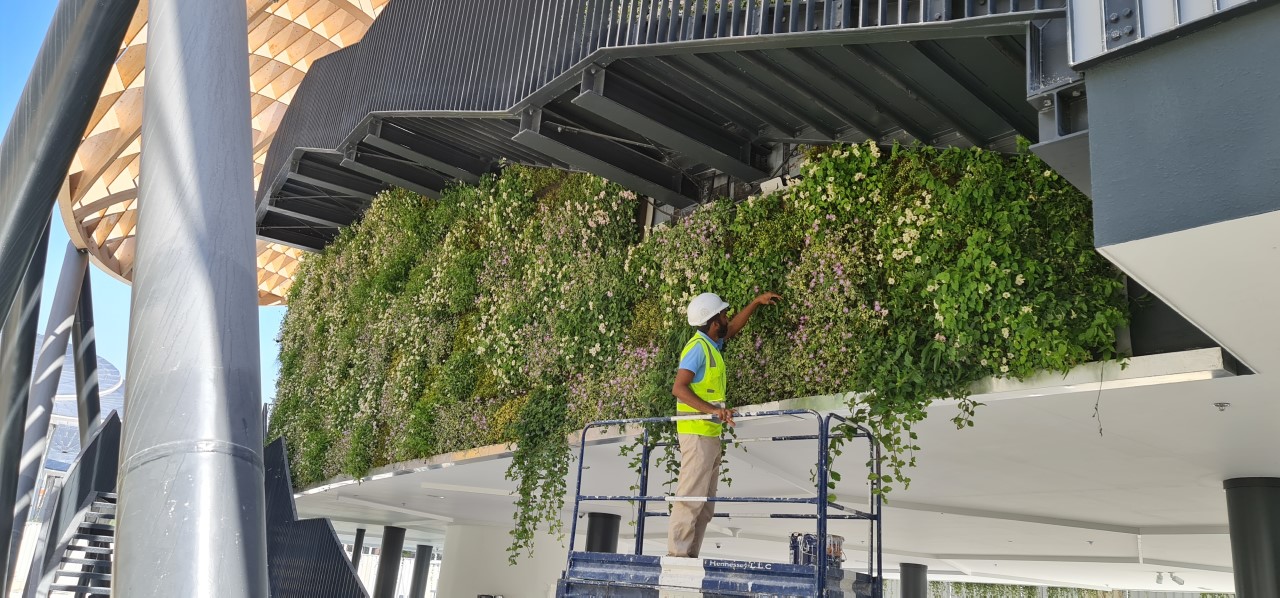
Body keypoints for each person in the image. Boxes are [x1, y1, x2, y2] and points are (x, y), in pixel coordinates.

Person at [667, 290, 781, 558]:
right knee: (690, 500)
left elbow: (733, 329)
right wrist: (713, 412)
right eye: (723, 313)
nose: (727, 316)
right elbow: (679, 388)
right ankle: (677, 557)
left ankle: (689, 556)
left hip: (709, 435)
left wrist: (754, 303)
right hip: (697, 434)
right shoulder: (697, 348)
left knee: (705, 506)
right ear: (714, 321)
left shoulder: (711, 344)